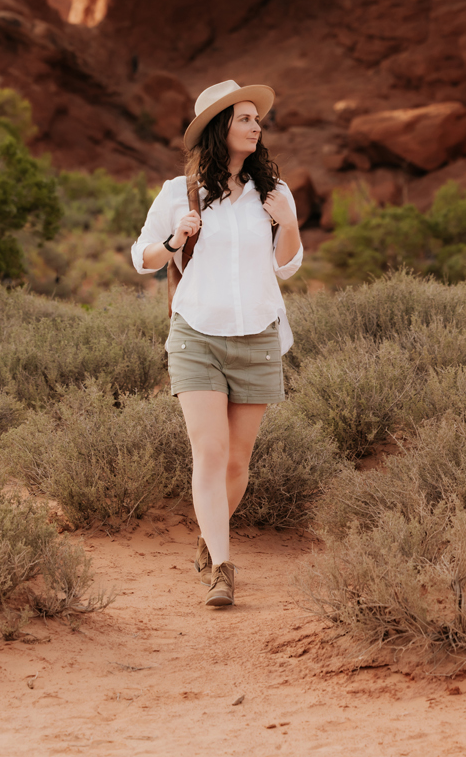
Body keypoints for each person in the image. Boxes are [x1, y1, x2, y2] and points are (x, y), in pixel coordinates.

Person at [131, 79, 303, 609]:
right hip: (196, 335)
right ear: (218, 128)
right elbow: (142, 257)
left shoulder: (273, 192)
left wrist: (289, 223)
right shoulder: (177, 193)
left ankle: (210, 537)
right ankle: (223, 571)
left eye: (257, 119)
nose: (256, 126)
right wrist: (174, 239)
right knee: (209, 451)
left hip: (257, 335)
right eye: (245, 118)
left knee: (236, 462)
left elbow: (288, 266)